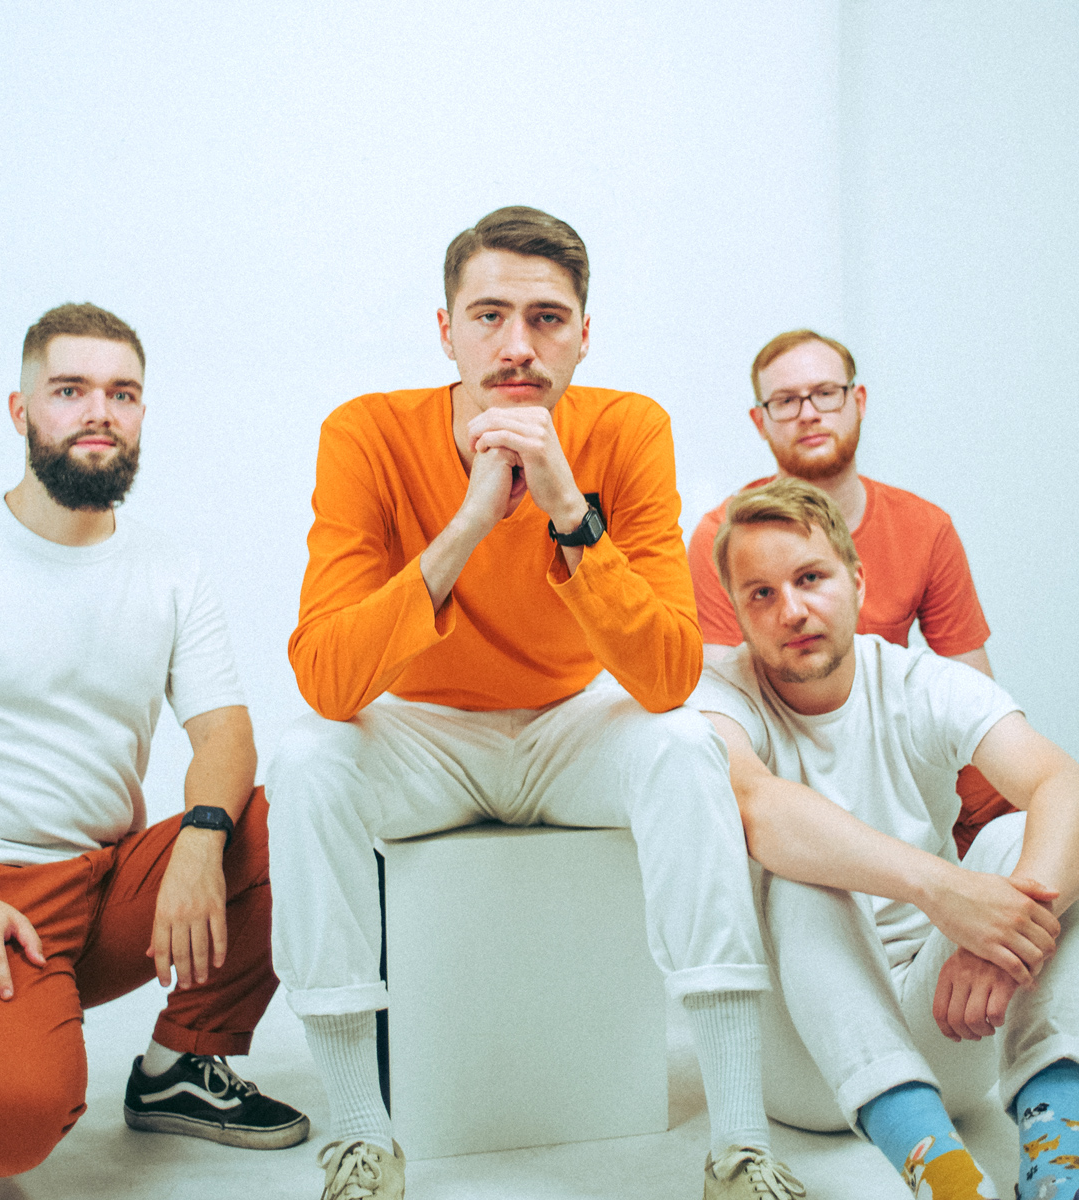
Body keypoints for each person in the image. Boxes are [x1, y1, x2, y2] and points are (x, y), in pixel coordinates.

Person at [268, 207, 804, 1200]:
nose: (518, 346)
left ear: (584, 335)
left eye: (547, 318)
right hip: (424, 735)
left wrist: (567, 511)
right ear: (446, 331)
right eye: (490, 316)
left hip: (568, 727)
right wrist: (473, 520)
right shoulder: (367, 431)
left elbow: (666, 676)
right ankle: (360, 1135)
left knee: (684, 745)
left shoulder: (627, 426)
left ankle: (738, 1143)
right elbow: (329, 681)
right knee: (305, 757)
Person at [0, 303, 309, 1178]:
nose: (98, 413)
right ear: (21, 410)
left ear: (142, 412)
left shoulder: (171, 570)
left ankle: (180, 1066)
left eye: (122, 393)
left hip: (109, 881)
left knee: (299, 815)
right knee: (11, 1126)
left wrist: (201, 842)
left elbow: (224, 730)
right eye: (69, 390)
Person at [692, 476, 1079, 1199]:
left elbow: (1064, 782)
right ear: (736, 614)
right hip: (805, 1061)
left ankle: (1060, 1162)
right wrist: (947, 891)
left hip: (955, 1023)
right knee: (801, 866)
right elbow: (759, 808)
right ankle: (947, 1182)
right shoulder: (720, 694)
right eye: (761, 594)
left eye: (810, 578)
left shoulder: (914, 683)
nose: (792, 610)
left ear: (858, 581)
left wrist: (1003, 940)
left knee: (1030, 839)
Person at [686, 330, 1015, 856]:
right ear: (760, 420)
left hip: (901, 786)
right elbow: (725, 708)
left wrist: (989, 841)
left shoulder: (925, 529)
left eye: (825, 393)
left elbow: (974, 702)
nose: (808, 413)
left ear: (857, 401)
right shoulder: (722, 539)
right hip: (788, 793)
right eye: (785, 401)